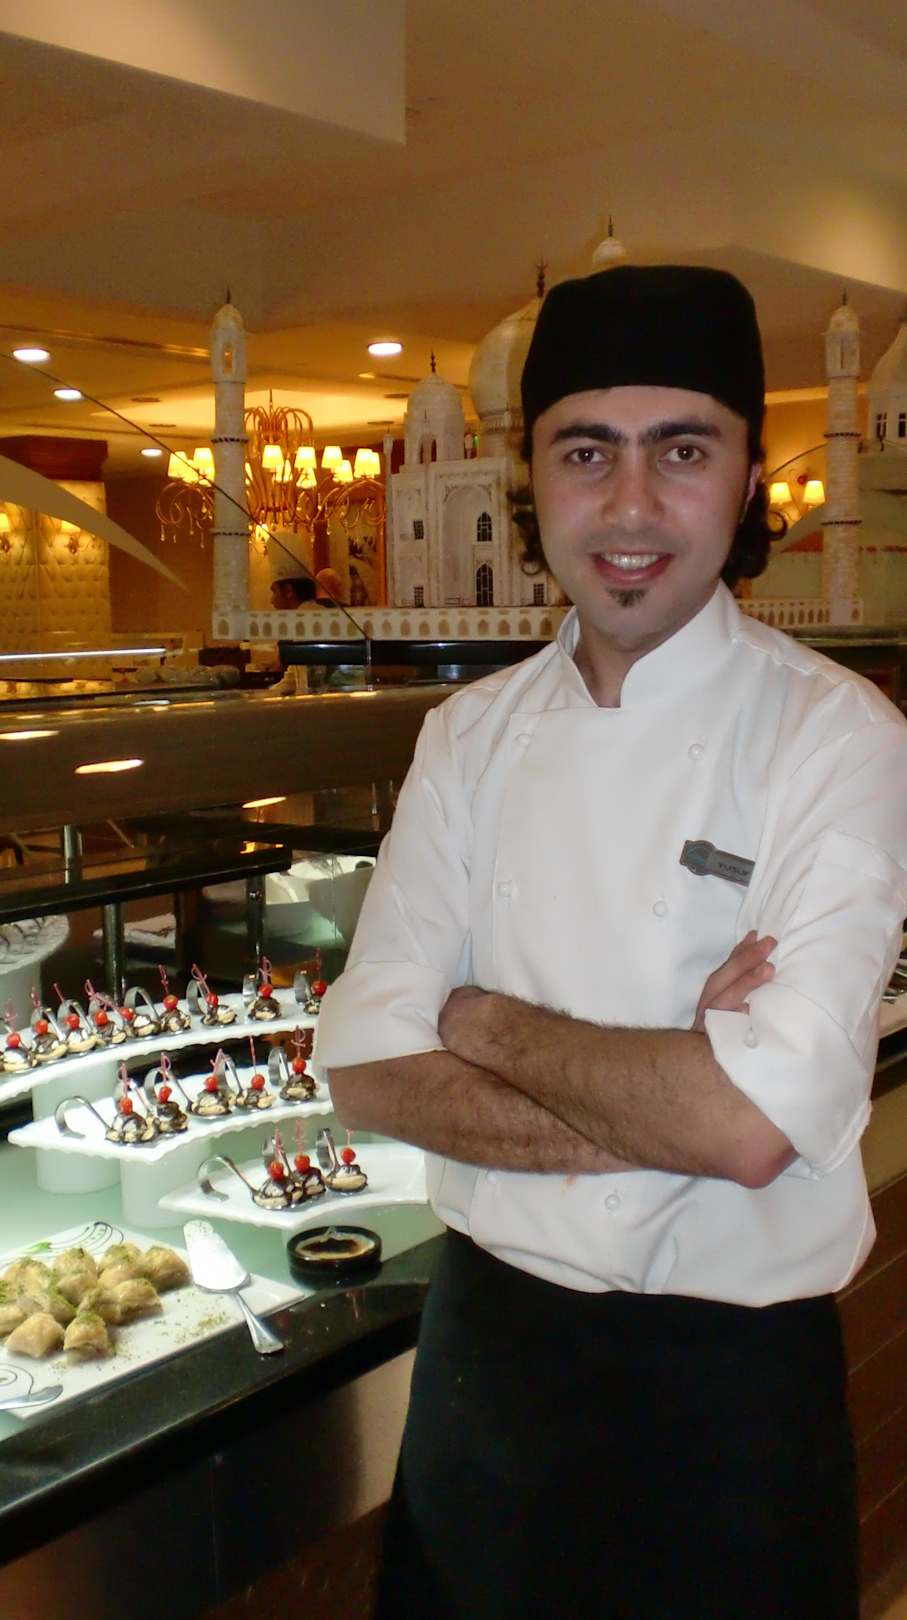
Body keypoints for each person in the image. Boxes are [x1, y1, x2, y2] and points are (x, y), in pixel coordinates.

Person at [315, 266, 907, 1619]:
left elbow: (750, 1129)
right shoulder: (467, 736)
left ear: (748, 478)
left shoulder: (842, 740)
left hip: (731, 1410)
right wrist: (673, 1085)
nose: (631, 506)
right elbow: (363, 1070)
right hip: (484, 1373)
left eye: (681, 451)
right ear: (530, 479)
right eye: (587, 453)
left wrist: (474, 1018)